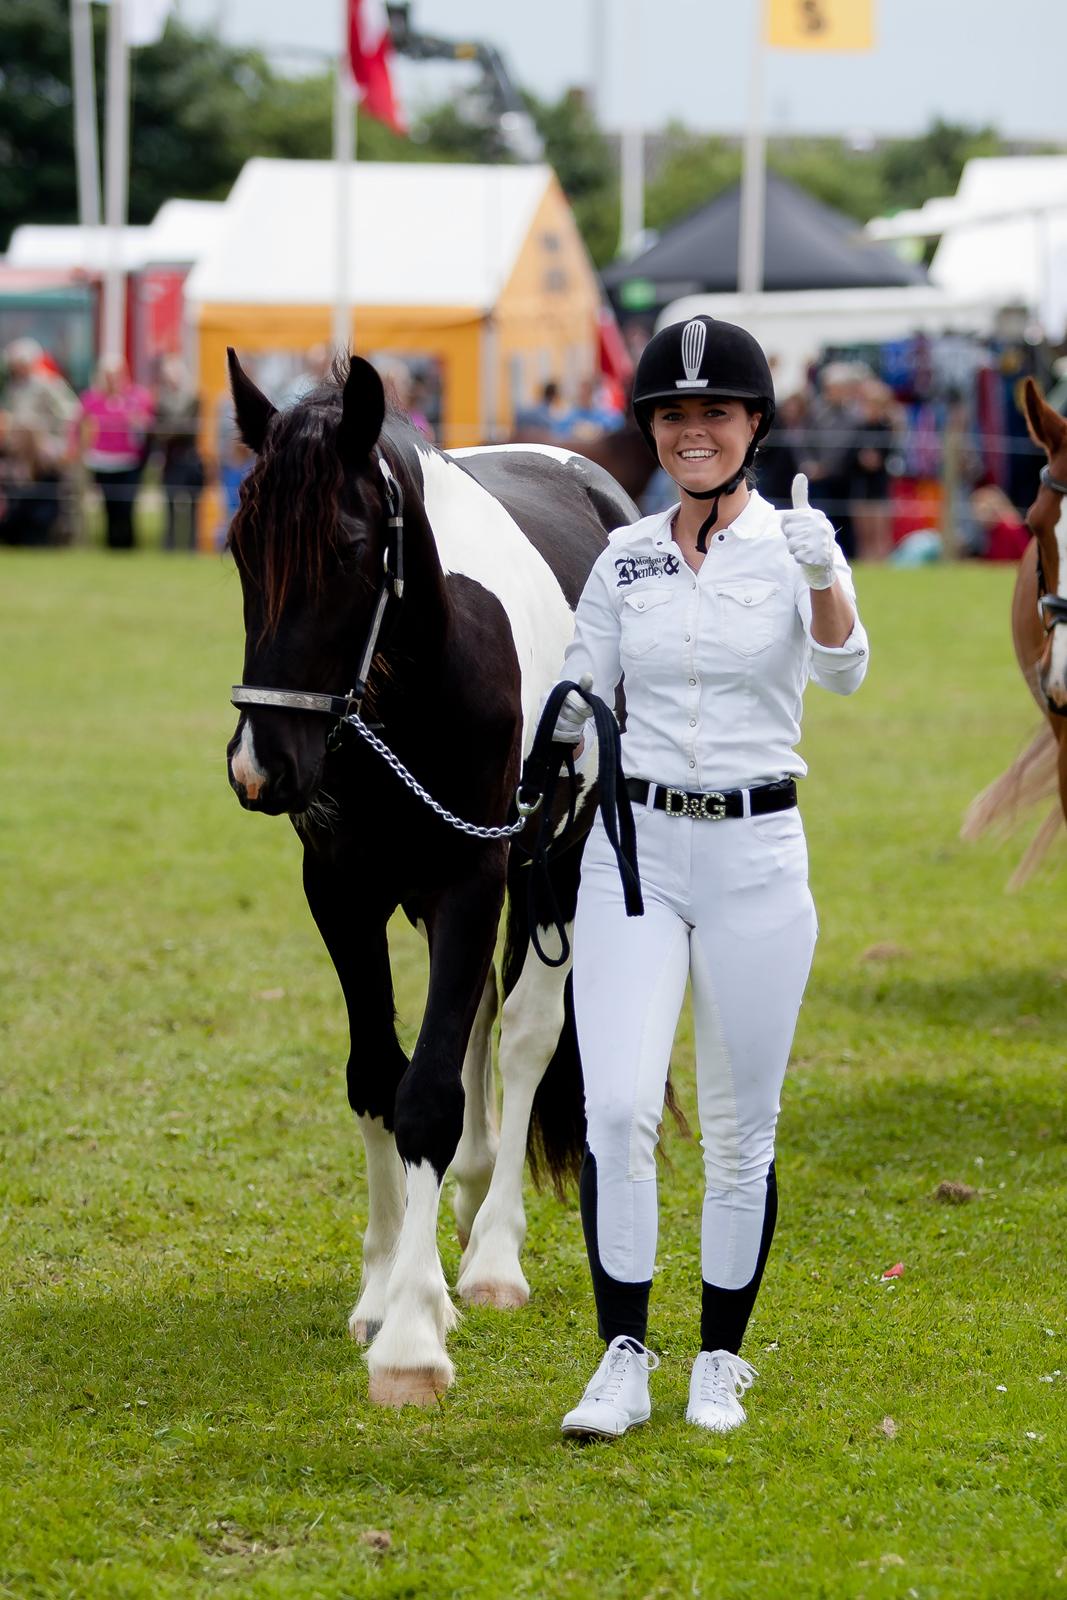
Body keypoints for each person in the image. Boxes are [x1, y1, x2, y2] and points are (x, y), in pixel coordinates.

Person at [549, 315, 869, 1440]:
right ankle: (620, 1356)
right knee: (621, 1105)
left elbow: (842, 669)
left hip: (754, 857)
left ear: (749, 427)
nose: (692, 432)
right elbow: (580, 696)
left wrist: (824, 576)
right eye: (674, 415)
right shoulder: (623, 554)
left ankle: (719, 1358)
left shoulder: (793, 545)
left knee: (739, 1128)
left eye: (713, 414)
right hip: (631, 854)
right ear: (652, 427)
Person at [0, 338, 80, 545]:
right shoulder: (14, 387)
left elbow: (70, 413)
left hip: (46, 446)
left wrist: (59, 443)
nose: (16, 368)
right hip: (18, 451)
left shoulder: (49, 384)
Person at [80, 358, 154, 550]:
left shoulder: (138, 397)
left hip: (129, 460)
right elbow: (80, 425)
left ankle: (128, 544)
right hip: (102, 460)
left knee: (127, 504)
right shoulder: (92, 399)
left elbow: (147, 425)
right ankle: (111, 544)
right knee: (109, 505)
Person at [152, 357, 204, 552]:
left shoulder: (193, 398)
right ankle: (170, 546)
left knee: (193, 506)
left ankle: (192, 546)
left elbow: (189, 428)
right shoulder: (160, 400)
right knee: (170, 504)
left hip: (189, 458)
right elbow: (158, 432)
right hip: (170, 459)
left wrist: (169, 431)